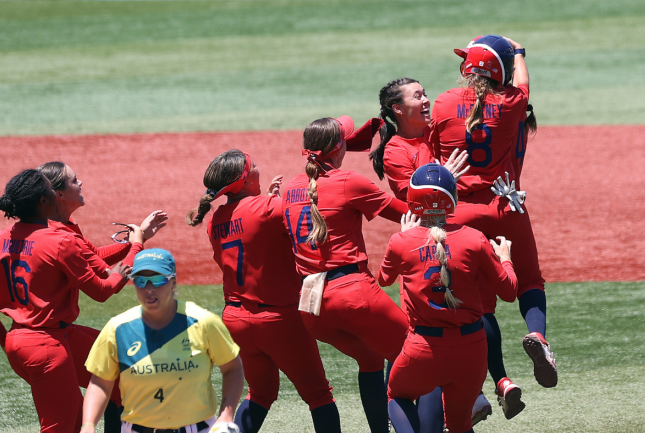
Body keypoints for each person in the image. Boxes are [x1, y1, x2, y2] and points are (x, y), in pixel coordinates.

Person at [429, 35, 556, 417]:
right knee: (530, 282)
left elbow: (432, 148)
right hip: (506, 205)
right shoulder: (514, 105)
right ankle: (538, 335)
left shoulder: (444, 102)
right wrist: (518, 52)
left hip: (460, 213)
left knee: (479, 306)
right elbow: (522, 85)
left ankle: (500, 380)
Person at [0, 169, 143, 433]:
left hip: (30, 341)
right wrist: (124, 268)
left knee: (115, 380)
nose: (55, 192)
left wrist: (3, 338)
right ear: (43, 201)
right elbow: (101, 291)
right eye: (50, 189)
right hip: (47, 346)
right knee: (60, 428)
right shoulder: (60, 241)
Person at [186, 150, 342, 433]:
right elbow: (307, 225)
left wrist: (268, 200)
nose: (259, 169)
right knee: (319, 394)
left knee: (260, 392)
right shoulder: (268, 208)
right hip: (278, 319)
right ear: (244, 180)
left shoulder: (216, 219)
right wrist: (271, 201)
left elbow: (252, 230)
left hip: (235, 320)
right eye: (254, 167)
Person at [282, 116, 409, 433]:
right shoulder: (349, 181)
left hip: (311, 306)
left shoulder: (290, 188)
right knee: (419, 354)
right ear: (340, 146)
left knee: (370, 360)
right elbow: (407, 215)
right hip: (352, 294)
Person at [379, 164, 517, 433]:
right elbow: (510, 292)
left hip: (423, 349)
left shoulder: (401, 241)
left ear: (412, 200)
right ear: (452, 198)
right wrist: (506, 258)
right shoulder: (475, 239)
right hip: (472, 349)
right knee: (460, 425)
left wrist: (405, 235)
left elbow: (384, 279)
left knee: (396, 396)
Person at [80, 248, 244, 433]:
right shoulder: (117, 329)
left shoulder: (204, 323)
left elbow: (232, 368)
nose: (149, 289)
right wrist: (88, 425)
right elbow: (100, 382)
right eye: (140, 281)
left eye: (158, 280)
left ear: (173, 283)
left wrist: (226, 415)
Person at [37, 161, 168, 278]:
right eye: (75, 180)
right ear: (60, 194)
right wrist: (137, 245)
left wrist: (140, 236)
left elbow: (95, 258)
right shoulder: (60, 236)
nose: (81, 183)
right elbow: (108, 285)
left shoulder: (59, 225)